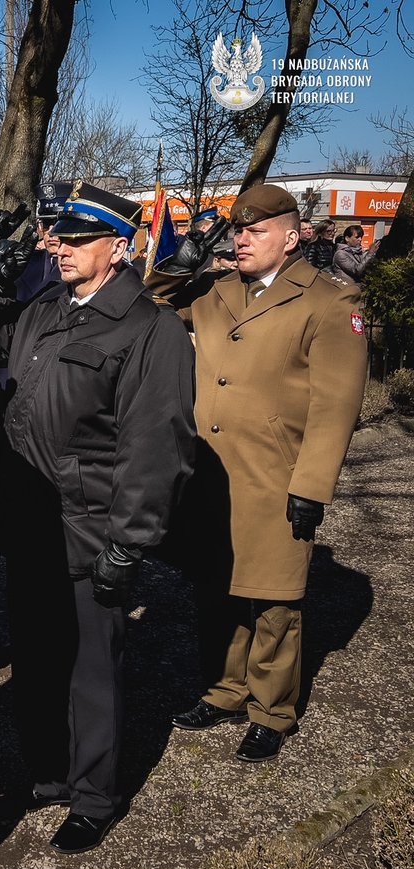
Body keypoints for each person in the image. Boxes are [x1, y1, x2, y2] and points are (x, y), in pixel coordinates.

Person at [0, 180, 197, 855]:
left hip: (90, 531)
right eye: (59, 235)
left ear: (118, 249)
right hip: (30, 523)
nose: (60, 246)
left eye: (79, 238)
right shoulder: (46, 309)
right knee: (36, 661)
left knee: (93, 672)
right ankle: (50, 772)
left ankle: (95, 796)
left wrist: (131, 542)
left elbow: (159, 448)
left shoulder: (150, 330)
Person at [158, 185, 367, 763]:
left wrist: (312, 486)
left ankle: (271, 710)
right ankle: (227, 689)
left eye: (255, 231)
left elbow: (336, 403)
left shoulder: (329, 300)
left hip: (277, 476)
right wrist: (176, 271)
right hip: (210, 474)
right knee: (214, 586)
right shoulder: (217, 292)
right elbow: (143, 312)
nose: (240, 239)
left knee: (274, 599)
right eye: (237, 231)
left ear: (292, 237)